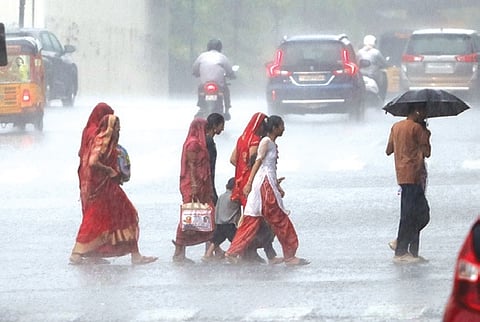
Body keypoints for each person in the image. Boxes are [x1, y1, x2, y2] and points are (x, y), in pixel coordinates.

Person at [70, 114, 158, 265]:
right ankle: (77, 253)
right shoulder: (102, 140)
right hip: (103, 188)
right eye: (117, 127)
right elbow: (92, 162)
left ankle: (133, 254)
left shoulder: (109, 143)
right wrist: (109, 170)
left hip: (107, 187)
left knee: (124, 215)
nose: (119, 129)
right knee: (101, 218)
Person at [225, 116, 310, 266]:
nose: (284, 129)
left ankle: (232, 252)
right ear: (275, 127)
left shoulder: (270, 143)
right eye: (282, 126)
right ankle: (290, 256)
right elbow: (258, 162)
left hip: (265, 184)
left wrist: (277, 186)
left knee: (251, 220)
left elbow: (269, 168)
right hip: (264, 186)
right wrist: (249, 183)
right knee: (280, 220)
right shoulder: (265, 142)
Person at [230, 112, 280, 264]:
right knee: (259, 219)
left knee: (250, 218)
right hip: (253, 185)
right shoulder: (256, 141)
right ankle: (246, 251)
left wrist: (241, 171)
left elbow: (232, 160)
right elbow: (255, 162)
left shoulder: (242, 139)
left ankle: (249, 252)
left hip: (240, 184)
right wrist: (254, 177)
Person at [386, 102, 431, 263]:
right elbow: (427, 152)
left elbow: (389, 150)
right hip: (414, 175)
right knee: (421, 214)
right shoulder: (418, 129)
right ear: (417, 111)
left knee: (411, 213)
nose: (426, 114)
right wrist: (426, 134)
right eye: (424, 111)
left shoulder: (396, 126)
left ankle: (412, 251)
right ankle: (401, 247)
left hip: (402, 175)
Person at [172, 118, 216, 263]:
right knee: (188, 217)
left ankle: (212, 248)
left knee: (208, 214)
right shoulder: (193, 143)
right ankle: (179, 251)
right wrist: (195, 185)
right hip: (192, 185)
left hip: (201, 184)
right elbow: (191, 165)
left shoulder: (199, 143)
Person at [78, 102, 114, 213]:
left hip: (84, 174)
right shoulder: (96, 133)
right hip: (95, 176)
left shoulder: (87, 129)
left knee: (90, 208)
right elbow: (93, 160)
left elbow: (80, 152)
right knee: (98, 210)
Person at [203, 177, 241, 262]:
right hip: (230, 224)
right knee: (236, 240)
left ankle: (207, 255)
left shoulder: (221, 196)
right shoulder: (234, 197)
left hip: (220, 223)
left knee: (216, 240)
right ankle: (233, 254)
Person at [192, 38, 235, 113]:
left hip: (204, 84)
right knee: (226, 90)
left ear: (208, 47)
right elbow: (229, 70)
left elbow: (195, 68)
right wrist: (231, 75)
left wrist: (196, 73)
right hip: (219, 85)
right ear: (220, 47)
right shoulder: (222, 57)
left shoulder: (202, 56)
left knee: (200, 88)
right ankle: (227, 109)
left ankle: (201, 106)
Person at [357, 34, 388, 100]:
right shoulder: (376, 53)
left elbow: (356, 62)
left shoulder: (359, 52)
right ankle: (381, 97)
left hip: (361, 76)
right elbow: (384, 63)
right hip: (373, 76)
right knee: (383, 81)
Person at [206, 113, 225, 205]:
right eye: (222, 125)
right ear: (214, 125)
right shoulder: (208, 141)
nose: (223, 129)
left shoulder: (208, 140)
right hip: (207, 179)